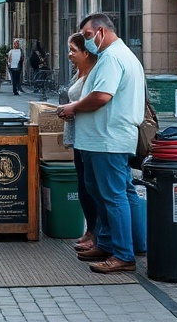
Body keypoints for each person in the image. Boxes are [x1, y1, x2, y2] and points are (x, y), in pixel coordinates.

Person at [56, 13, 145, 274]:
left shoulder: (112, 58)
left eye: (86, 36)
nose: (86, 42)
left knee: (113, 197)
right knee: (108, 195)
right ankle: (107, 244)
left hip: (108, 140)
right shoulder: (118, 56)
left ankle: (123, 254)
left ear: (101, 32)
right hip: (102, 139)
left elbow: (101, 96)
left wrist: (73, 107)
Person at [58, 33, 99, 252]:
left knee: (89, 186)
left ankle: (95, 232)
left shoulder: (93, 75)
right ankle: (90, 229)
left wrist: (72, 109)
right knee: (83, 185)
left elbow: (92, 102)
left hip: (88, 137)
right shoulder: (78, 73)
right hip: (76, 136)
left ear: (86, 53)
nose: (69, 54)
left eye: (74, 50)